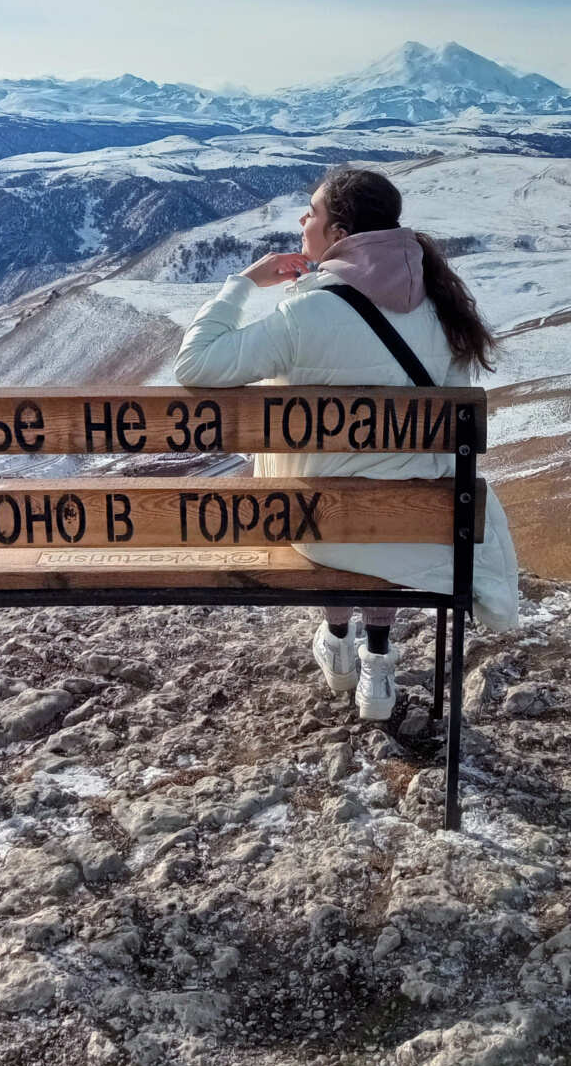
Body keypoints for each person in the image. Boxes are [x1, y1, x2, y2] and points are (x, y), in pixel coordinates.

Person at [173, 165, 519, 721]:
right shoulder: (441, 306)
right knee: (381, 518)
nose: (302, 221)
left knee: (328, 505)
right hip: (418, 525)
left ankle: (337, 640)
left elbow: (196, 364)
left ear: (338, 234)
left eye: (312, 213)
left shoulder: (306, 312)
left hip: (316, 525)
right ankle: (377, 661)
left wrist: (242, 283)